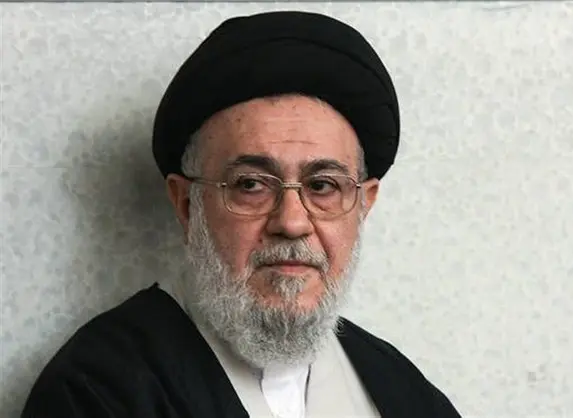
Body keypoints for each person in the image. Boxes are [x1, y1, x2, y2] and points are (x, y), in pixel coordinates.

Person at [21, 10, 462, 418]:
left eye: (322, 186)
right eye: (251, 185)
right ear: (186, 204)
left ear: (363, 205)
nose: (292, 223)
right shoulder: (97, 391)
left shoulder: (404, 393)